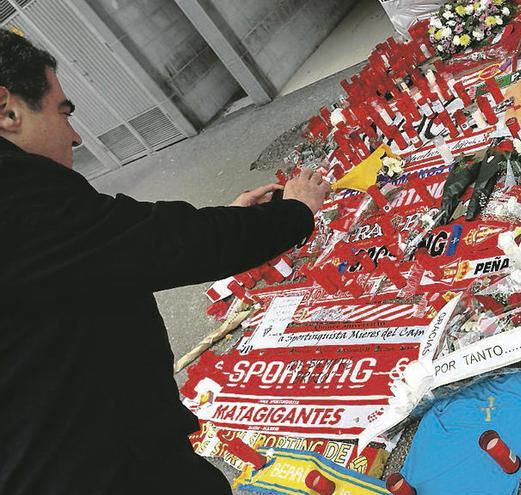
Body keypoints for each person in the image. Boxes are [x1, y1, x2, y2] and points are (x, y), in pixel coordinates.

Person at [0, 30, 330, 494]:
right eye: (63, 112)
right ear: (8, 111)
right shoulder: (15, 200)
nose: (75, 136)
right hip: (97, 468)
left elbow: (115, 248)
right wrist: (295, 212)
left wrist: (230, 219)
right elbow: (167, 243)